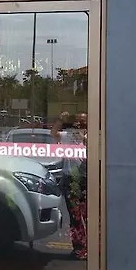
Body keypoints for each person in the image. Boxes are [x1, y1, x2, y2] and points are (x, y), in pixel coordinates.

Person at [51, 111, 88, 260]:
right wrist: (61, 119)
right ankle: (78, 248)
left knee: (89, 215)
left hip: (86, 179)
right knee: (74, 216)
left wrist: (83, 138)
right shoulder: (67, 136)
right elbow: (54, 133)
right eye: (77, 121)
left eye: (83, 122)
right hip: (71, 179)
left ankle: (90, 247)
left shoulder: (91, 136)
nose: (79, 124)